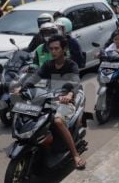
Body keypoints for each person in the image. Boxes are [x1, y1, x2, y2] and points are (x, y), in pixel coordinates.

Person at [18, 35, 85, 169]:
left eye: (57, 48)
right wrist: (23, 86)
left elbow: (75, 81)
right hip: (48, 99)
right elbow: (35, 76)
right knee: (28, 115)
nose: (53, 51)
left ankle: (75, 155)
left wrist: (70, 93)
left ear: (64, 49)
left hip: (66, 101)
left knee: (58, 121)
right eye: (51, 49)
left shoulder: (71, 65)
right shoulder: (48, 65)